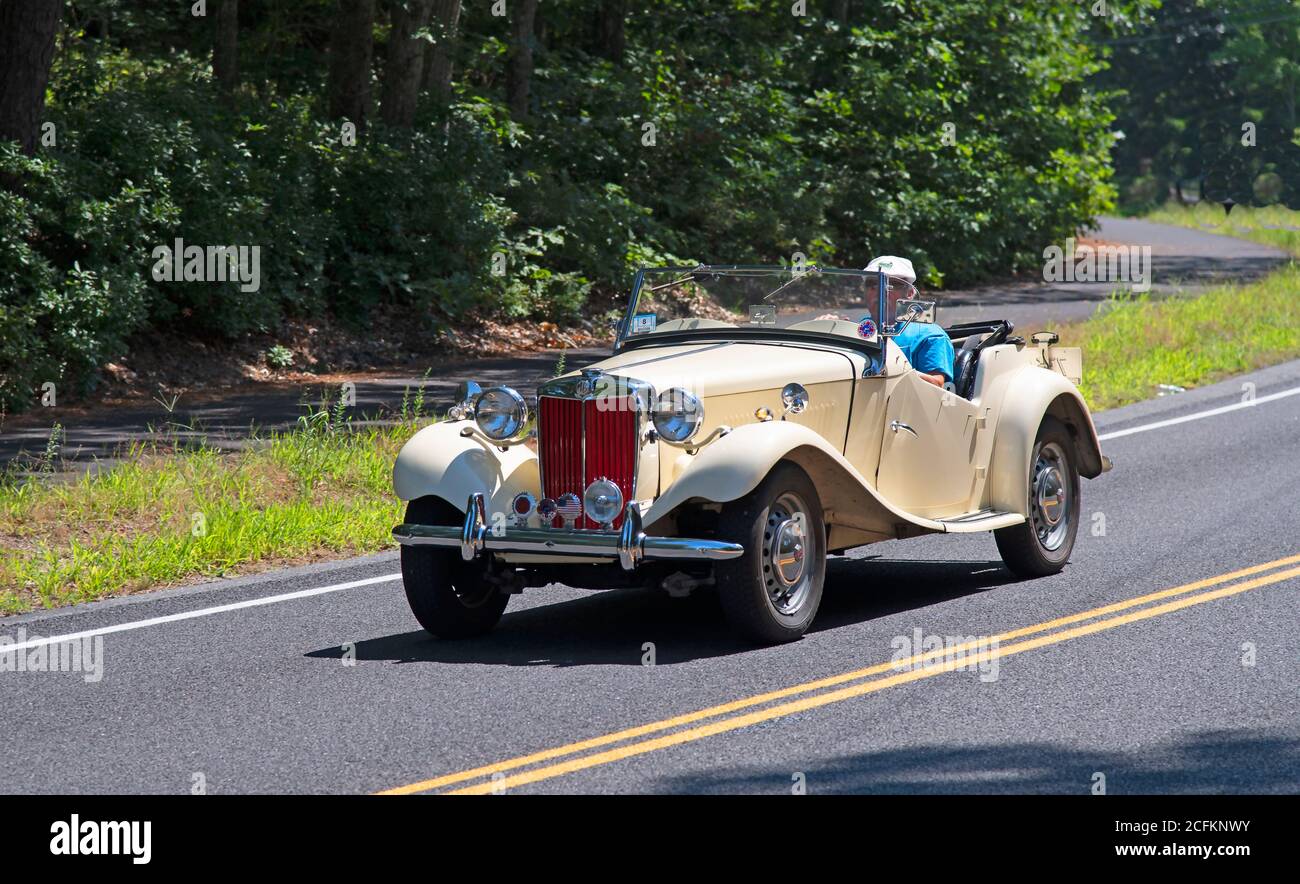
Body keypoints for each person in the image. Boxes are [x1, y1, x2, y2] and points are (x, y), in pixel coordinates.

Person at [864, 255, 953, 388]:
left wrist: (892, 369)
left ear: (910, 293)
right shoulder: (862, 326)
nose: (879, 292)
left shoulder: (929, 335)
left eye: (891, 285)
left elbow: (936, 385)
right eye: (872, 285)